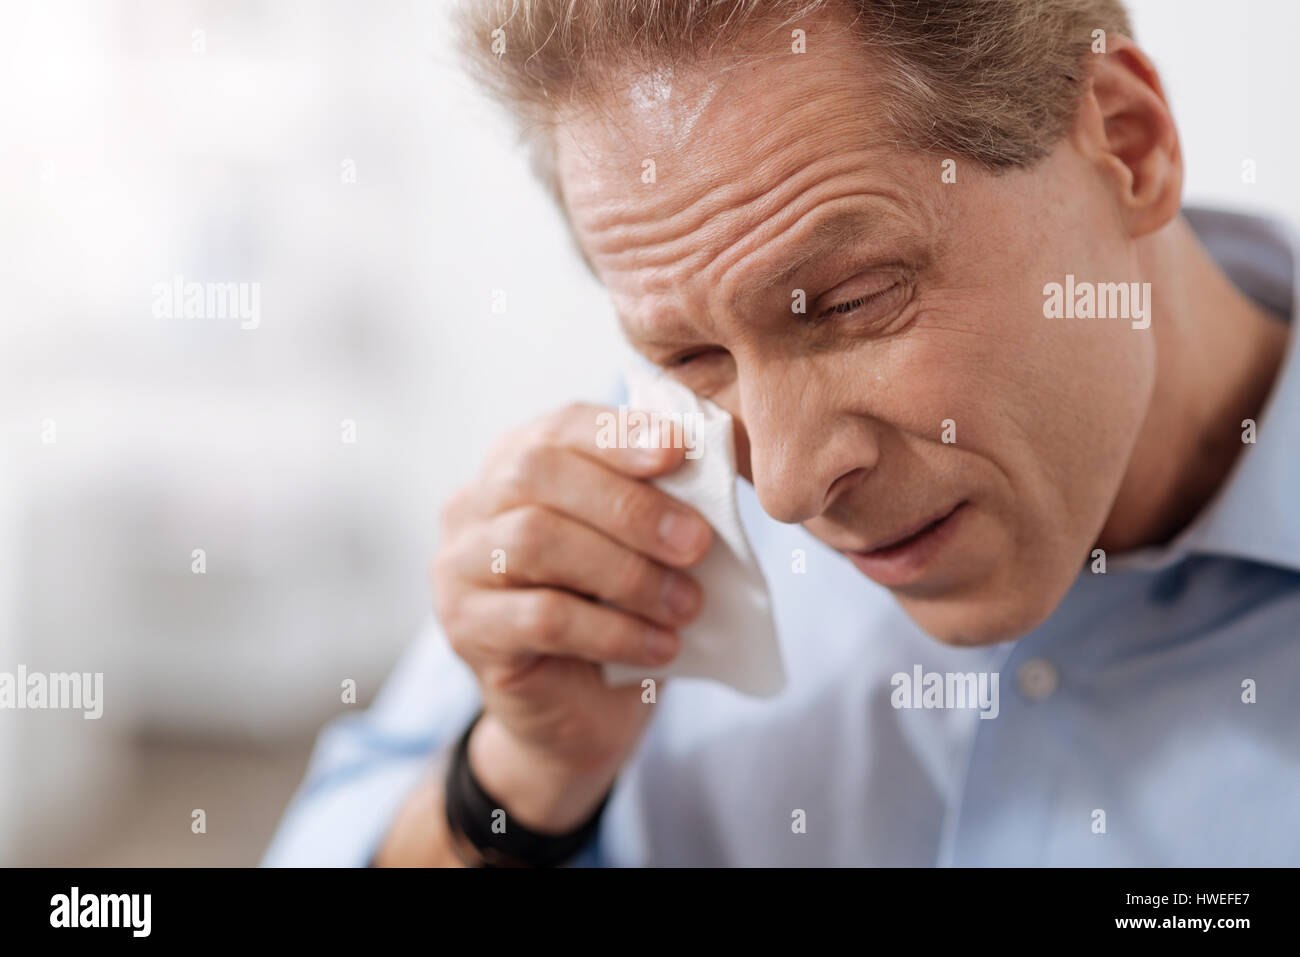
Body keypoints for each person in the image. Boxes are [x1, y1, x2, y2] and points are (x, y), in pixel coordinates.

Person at [264, 0, 1300, 866]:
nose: (791, 489)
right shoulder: (641, 514)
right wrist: (517, 784)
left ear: (1126, 144)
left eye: (851, 300)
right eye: (688, 357)